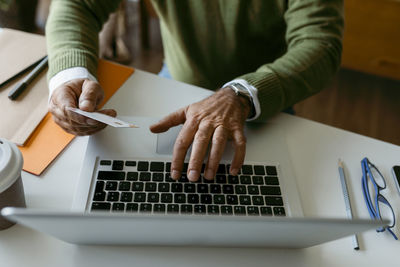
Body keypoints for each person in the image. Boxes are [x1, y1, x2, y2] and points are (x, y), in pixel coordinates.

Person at [46, 0, 344, 182]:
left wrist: (240, 94)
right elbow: (77, 4)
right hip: (176, 80)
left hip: (261, 97)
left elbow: (320, 43)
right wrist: (70, 74)